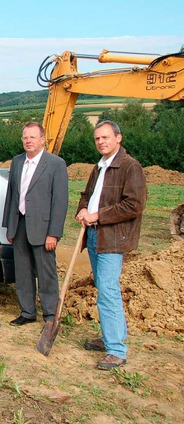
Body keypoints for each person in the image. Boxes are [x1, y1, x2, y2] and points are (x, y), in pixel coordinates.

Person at [75, 120, 147, 370]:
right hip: (94, 235)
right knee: (103, 286)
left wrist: (98, 215)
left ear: (118, 138)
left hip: (112, 237)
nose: (101, 142)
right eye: (97, 139)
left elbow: (134, 205)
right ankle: (109, 337)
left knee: (108, 290)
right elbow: (87, 195)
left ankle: (117, 350)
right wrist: (83, 209)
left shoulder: (129, 167)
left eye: (105, 137)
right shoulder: (100, 166)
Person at [2, 122, 69, 326]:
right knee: (22, 272)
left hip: (43, 227)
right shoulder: (17, 162)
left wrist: (53, 233)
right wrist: (9, 226)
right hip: (20, 224)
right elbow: (12, 195)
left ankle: (50, 315)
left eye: (32, 137)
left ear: (42, 140)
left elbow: (60, 201)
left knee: (45, 272)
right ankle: (27, 312)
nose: (28, 141)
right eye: (25, 137)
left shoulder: (55, 164)